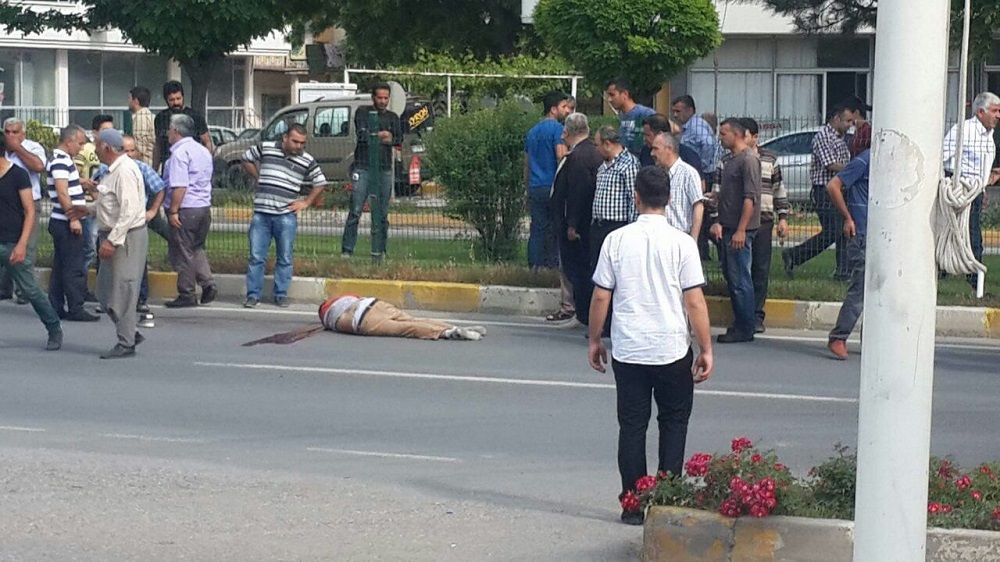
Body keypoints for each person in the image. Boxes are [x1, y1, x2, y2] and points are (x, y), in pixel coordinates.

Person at [588, 165, 713, 526]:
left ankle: (632, 504)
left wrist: (596, 339)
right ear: (671, 198)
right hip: (672, 348)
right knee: (674, 423)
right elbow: (695, 302)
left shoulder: (616, 240)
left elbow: (600, 297)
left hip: (628, 349)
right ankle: (667, 503)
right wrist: (705, 348)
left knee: (632, 427)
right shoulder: (682, 244)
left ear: (636, 197)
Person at [77, 129, 148, 359]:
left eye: (97, 145)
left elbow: (128, 211)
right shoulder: (112, 171)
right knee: (105, 290)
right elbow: (110, 204)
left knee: (123, 290)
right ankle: (130, 332)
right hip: (113, 234)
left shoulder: (125, 171)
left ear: (107, 148)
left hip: (126, 237)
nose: (94, 149)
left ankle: (126, 342)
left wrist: (112, 241)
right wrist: (87, 209)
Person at [241, 122, 328, 308]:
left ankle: (280, 294)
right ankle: (253, 295)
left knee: (285, 257)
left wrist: (305, 202)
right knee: (256, 257)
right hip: (261, 214)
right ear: (285, 138)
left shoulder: (306, 159)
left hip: (286, 215)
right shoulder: (266, 148)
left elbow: (320, 182)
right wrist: (258, 177)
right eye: (295, 141)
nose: (299, 146)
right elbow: (246, 158)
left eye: (302, 143)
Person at [0, 130, 63, 350]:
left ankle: (54, 328)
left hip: (12, 242)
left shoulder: (18, 175)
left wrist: (22, 244)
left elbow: (29, 211)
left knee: (30, 289)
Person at [782, 105, 853, 280]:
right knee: (833, 231)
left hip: (840, 189)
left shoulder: (841, 138)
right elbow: (830, 164)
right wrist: (853, 169)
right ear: (836, 118)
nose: (850, 125)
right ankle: (795, 255)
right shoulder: (824, 137)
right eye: (847, 121)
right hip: (825, 190)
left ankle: (843, 271)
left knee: (844, 230)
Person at [709, 118, 761, 344]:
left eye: (724, 134)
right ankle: (740, 322)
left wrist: (741, 230)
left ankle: (745, 326)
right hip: (729, 226)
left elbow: (750, 198)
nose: (720, 138)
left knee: (741, 278)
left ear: (738, 135)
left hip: (741, 229)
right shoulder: (730, 160)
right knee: (733, 277)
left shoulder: (748, 160)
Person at [942, 91, 1000, 290]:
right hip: (959, 190)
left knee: (972, 234)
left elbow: (982, 167)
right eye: (994, 111)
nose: (998, 115)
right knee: (951, 231)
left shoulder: (988, 137)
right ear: (980, 112)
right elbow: (944, 156)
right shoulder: (964, 130)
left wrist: (982, 187)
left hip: (974, 192)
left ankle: (974, 278)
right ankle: (950, 271)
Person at [550, 112, 603, 324]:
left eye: (565, 131)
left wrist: (571, 224)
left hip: (578, 225)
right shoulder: (584, 153)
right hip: (580, 223)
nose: (562, 136)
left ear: (571, 132)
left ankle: (583, 315)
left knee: (578, 269)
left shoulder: (580, 157)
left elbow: (577, 193)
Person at [341, 82, 402, 261]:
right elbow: (363, 136)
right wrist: (384, 135)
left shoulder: (393, 117)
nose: (383, 101)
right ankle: (347, 250)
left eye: (386, 98)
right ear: (373, 97)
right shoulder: (363, 112)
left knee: (382, 214)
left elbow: (397, 138)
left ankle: (380, 251)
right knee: (355, 210)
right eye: (379, 97)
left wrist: (378, 135)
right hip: (363, 166)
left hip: (384, 169)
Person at [740, 118, 790, 334]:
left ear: (754, 137)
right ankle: (743, 313)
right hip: (740, 221)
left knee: (760, 268)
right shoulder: (731, 159)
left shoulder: (770, 159)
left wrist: (783, 217)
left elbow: (778, 189)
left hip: (764, 220)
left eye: (745, 136)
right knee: (740, 270)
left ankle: (757, 314)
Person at [162, 113, 217, 308]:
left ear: (175, 131)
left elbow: (179, 185)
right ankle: (207, 282)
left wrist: (173, 210)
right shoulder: (202, 150)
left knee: (182, 251)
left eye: (170, 129)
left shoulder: (179, 153)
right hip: (203, 206)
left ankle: (187, 293)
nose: (168, 133)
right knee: (196, 247)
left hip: (186, 207)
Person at [47, 125, 100, 322]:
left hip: (63, 220)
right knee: (73, 266)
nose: (81, 148)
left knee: (61, 266)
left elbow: (66, 185)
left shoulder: (62, 160)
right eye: (79, 143)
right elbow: (62, 192)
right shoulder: (61, 161)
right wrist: (74, 218)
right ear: (68, 141)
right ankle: (76, 307)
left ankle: (56, 306)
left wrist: (80, 182)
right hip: (66, 221)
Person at [826, 149, 871, 360]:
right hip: (861, 234)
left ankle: (872, 339)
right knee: (861, 288)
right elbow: (834, 185)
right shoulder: (865, 160)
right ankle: (839, 336)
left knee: (879, 291)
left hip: (882, 236)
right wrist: (848, 218)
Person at [122, 135, 167, 328]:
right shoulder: (108, 168)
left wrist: (152, 211)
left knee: (138, 262)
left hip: (136, 223)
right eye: (125, 150)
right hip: (115, 224)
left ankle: (140, 300)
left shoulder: (142, 169)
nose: (129, 154)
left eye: (132, 150)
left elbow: (159, 188)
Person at [0, 117, 47, 304]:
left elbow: (38, 166)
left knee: (26, 246)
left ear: (23, 133)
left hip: (28, 203)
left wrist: (18, 148)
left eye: (15, 132)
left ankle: (24, 290)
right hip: (6, 204)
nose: (11, 136)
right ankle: (4, 287)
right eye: (8, 132)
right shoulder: (3, 150)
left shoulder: (33, 147)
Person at [524, 90, 571, 270]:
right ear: (553, 109)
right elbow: (560, 156)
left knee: (537, 229)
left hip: (535, 186)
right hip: (552, 186)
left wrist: (527, 186)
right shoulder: (558, 129)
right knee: (554, 228)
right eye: (564, 107)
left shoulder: (532, 132)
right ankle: (551, 267)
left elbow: (526, 163)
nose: (567, 111)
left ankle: (533, 266)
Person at [317, 295, 487, 340]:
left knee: (407, 329)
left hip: (364, 321)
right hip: (375, 303)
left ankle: (451, 332)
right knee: (413, 320)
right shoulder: (346, 298)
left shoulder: (329, 320)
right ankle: (451, 326)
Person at [649, 132, 704, 238]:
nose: (652, 153)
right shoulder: (657, 174)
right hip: (659, 236)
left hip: (681, 235)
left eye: (656, 149)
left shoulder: (688, 173)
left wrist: (693, 239)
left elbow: (698, 206)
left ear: (669, 149)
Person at [153, 81, 212, 172]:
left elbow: (207, 141)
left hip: (192, 166)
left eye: (178, 98)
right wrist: (154, 169)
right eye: (172, 100)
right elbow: (158, 145)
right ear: (166, 100)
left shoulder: (195, 116)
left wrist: (207, 165)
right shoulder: (161, 118)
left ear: (183, 97)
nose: (176, 102)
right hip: (169, 164)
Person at [639, 114, 705, 181]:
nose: (644, 138)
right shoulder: (645, 152)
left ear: (660, 134)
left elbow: (701, 185)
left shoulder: (688, 155)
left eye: (647, 135)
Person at [671, 96, 721, 178]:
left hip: (701, 174)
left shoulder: (696, 126)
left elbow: (708, 143)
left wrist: (700, 166)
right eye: (674, 111)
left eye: (678, 111)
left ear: (690, 110)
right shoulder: (690, 126)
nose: (675, 115)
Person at [605, 77, 655, 156]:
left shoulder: (644, 113)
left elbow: (670, 129)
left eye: (612, 95)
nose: (609, 99)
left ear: (625, 94)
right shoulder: (620, 117)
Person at [129, 86, 155, 165]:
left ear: (136, 101)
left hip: (144, 163)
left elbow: (140, 148)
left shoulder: (140, 118)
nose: (128, 101)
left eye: (130, 98)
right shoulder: (151, 116)